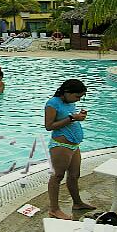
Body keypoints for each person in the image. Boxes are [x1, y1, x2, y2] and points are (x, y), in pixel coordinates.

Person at [45, 79, 95, 220]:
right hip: (61, 146)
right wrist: (72, 118)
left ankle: (77, 203)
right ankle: (54, 209)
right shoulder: (52, 103)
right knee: (58, 176)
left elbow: (70, 118)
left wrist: (78, 117)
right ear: (67, 92)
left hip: (73, 145)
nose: (78, 100)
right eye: (77, 96)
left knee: (74, 175)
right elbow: (49, 126)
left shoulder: (69, 102)